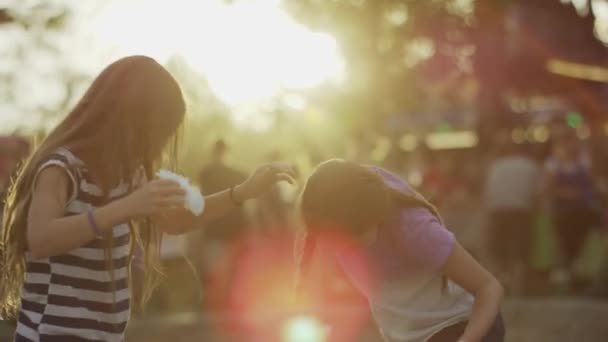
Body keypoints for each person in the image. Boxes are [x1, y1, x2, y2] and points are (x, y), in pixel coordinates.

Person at [0, 55, 294, 342]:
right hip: (52, 333)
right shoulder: (61, 168)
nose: (159, 143)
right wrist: (126, 207)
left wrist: (243, 191)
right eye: (158, 131)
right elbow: (41, 237)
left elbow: (177, 219)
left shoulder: (128, 175)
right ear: (127, 119)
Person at [296, 159, 504, 342]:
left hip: (461, 326)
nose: (343, 249)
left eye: (351, 239)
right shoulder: (337, 221)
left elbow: (489, 287)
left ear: (374, 215)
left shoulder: (414, 229)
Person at [197, 139, 248, 312]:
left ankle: (219, 309)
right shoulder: (237, 173)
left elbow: (201, 203)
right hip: (233, 230)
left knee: (216, 273)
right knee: (232, 272)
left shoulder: (206, 173)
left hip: (216, 230)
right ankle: (229, 308)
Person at [483, 141, 540, 293]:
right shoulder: (529, 164)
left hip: (498, 211)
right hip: (521, 211)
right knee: (521, 249)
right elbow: (537, 192)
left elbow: (488, 192)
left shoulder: (496, 165)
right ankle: (520, 285)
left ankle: (502, 281)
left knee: (501, 249)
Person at [544, 134, 599, 287]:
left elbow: (591, 184)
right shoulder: (553, 164)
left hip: (581, 211)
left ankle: (576, 274)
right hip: (562, 211)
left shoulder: (584, 163)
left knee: (579, 243)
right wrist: (567, 193)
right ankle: (565, 273)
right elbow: (550, 188)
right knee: (563, 242)